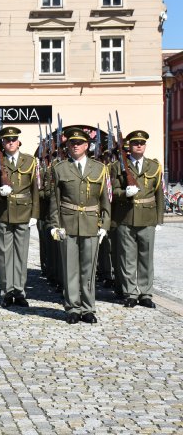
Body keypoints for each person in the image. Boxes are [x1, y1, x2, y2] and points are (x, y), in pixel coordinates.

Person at [48, 127, 111, 324]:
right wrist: (54, 224)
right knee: (70, 268)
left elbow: (106, 199)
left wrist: (105, 224)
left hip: (91, 223)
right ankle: (73, 308)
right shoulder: (59, 168)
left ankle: (88, 308)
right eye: (71, 143)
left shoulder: (100, 169)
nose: (75, 146)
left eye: (79, 143)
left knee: (89, 268)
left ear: (87, 146)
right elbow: (54, 200)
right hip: (67, 223)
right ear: (67, 146)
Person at [110, 130, 164, 309]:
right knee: (127, 258)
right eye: (135, 143)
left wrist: (159, 219)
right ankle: (131, 293)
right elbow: (112, 192)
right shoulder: (118, 167)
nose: (139, 145)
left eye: (142, 143)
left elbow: (159, 194)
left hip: (148, 217)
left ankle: (146, 293)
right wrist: (124, 193)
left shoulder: (154, 167)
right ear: (129, 146)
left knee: (146, 257)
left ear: (145, 145)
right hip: (126, 216)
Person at [0, 126, 40, 308]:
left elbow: (35, 190)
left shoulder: (30, 162)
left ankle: (20, 291)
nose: (10, 142)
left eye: (13, 139)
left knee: (21, 254)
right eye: (6, 140)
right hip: (3, 214)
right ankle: (7, 291)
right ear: (2, 143)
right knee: (4, 255)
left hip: (24, 213)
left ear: (18, 142)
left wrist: (35, 214)